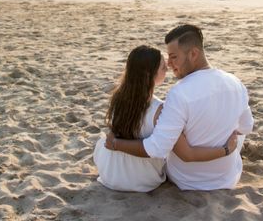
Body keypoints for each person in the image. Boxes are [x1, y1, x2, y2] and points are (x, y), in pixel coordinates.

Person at [105, 25, 254, 191]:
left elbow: (157, 148)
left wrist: (115, 143)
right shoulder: (235, 82)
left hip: (187, 180)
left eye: (173, 57)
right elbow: (246, 127)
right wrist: (224, 146)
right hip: (228, 178)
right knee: (236, 131)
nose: (169, 64)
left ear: (193, 54)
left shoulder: (179, 93)